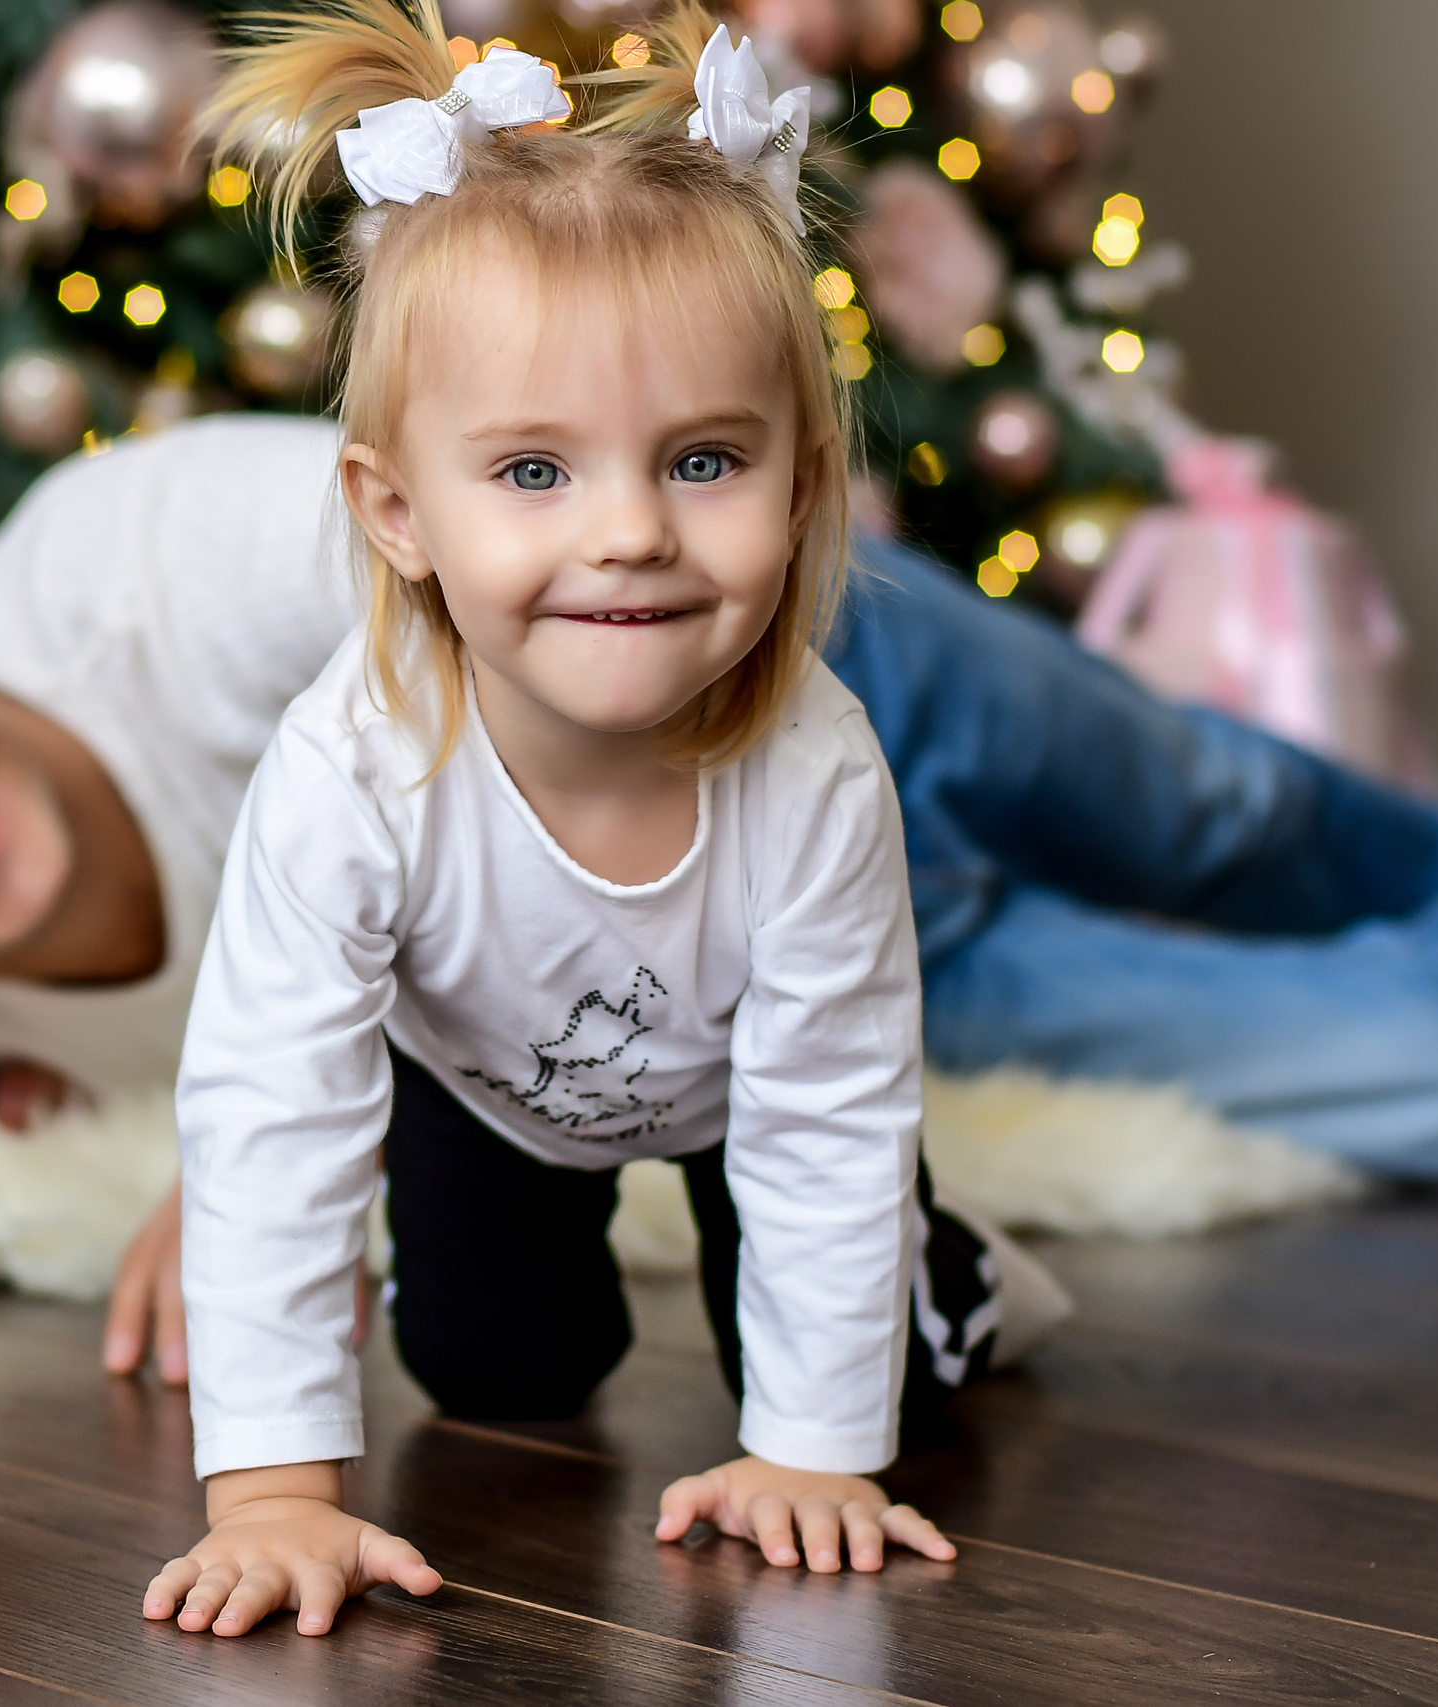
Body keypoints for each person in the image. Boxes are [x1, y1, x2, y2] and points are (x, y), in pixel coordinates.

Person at [0, 70, 1438, 1432]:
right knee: (1414, 1060)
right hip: (710, 964)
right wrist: (216, 1181)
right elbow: (279, 1068)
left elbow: (596, 530)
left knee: (1233, 802)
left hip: (796, 678)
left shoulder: (151, 554)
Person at [139, 5, 1029, 1639]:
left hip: (747, 1084)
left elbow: (825, 1109)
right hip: (484, 1087)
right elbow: (271, 1108)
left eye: (702, 460)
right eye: (534, 473)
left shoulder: (816, 774)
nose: (628, 535)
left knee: (859, 1368)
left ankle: (947, 1265)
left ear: (805, 491)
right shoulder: (352, 772)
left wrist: (812, 1456)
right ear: (396, 511)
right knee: (503, 1371)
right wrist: (272, 1495)